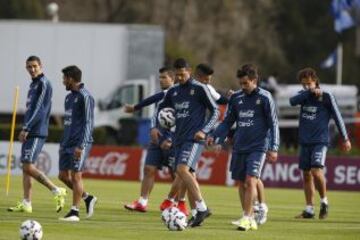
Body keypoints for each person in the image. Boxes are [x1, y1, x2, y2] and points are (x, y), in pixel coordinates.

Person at [207, 64, 279, 231]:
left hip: (258, 146)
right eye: (241, 83)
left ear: (254, 80)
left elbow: (273, 124)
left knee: (250, 180)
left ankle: (247, 217)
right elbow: (227, 122)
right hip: (240, 146)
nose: (243, 87)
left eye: (246, 83)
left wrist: (274, 147)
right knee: (240, 182)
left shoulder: (265, 97)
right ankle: (249, 217)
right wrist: (215, 136)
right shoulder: (236, 98)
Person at [154, 58, 219, 227]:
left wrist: (204, 131)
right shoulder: (173, 91)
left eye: (182, 74)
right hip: (178, 139)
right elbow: (161, 110)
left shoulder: (200, 88)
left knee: (182, 170)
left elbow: (215, 111)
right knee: (188, 175)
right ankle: (197, 213)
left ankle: (201, 207)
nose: (180, 78)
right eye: (177, 75)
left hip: (194, 139)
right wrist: (161, 128)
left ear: (189, 72)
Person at [289, 67, 351, 219]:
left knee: (316, 171)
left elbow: (338, 117)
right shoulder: (303, 96)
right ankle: (309, 209)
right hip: (305, 141)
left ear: (315, 81)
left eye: (309, 83)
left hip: (320, 141)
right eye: (303, 84)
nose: (306, 86)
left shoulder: (327, 96)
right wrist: (308, 92)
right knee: (306, 175)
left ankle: (324, 202)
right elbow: (292, 101)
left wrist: (345, 138)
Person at [8, 56, 67, 213]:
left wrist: (26, 127)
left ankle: (56, 190)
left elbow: (40, 109)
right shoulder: (33, 84)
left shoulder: (43, 83)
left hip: (36, 131)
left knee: (27, 165)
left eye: (35, 66)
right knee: (26, 168)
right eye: (29, 67)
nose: (32, 69)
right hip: (30, 130)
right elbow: (32, 109)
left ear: (41, 66)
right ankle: (27, 202)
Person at [124, 67, 176, 212]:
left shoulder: (179, 96)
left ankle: (175, 202)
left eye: (164, 77)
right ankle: (142, 202)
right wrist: (136, 108)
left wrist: (171, 138)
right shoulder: (162, 95)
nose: (161, 80)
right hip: (158, 137)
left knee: (176, 173)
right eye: (160, 77)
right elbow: (152, 106)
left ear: (173, 79)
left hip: (173, 140)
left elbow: (182, 120)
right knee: (148, 169)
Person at [58, 65, 96, 222]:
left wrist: (81, 145)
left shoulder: (85, 97)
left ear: (71, 79)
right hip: (66, 144)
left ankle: (75, 212)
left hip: (80, 144)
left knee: (76, 175)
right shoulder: (68, 97)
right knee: (62, 176)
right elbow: (69, 123)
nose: (63, 82)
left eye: (64, 78)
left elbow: (89, 123)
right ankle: (87, 198)